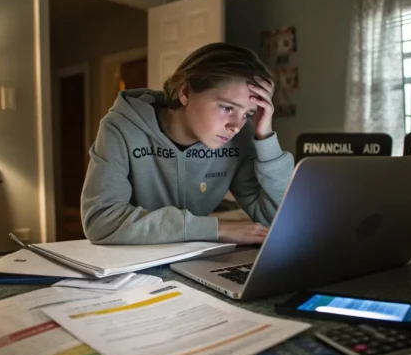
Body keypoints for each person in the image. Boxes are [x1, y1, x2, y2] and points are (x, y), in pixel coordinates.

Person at [80, 42, 294, 246]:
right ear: (184, 92)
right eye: (228, 108)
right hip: (131, 269)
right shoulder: (122, 127)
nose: (236, 126)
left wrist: (266, 137)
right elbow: (101, 220)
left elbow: (277, 220)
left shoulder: (239, 139)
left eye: (247, 114)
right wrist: (214, 229)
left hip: (194, 261)